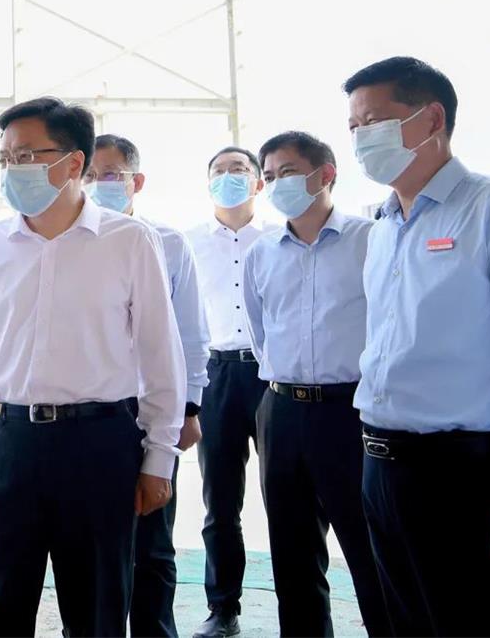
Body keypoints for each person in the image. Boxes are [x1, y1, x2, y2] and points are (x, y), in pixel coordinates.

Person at [0, 97, 186, 637]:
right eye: (5, 158)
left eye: (26, 155)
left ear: (74, 162)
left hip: (97, 446)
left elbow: (160, 355)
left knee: (97, 612)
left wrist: (159, 457)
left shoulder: (129, 241)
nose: (12, 169)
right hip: (5, 444)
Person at [345, 56, 490, 636]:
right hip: (383, 466)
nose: (360, 140)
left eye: (373, 122)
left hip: (465, 475)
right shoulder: (383, 227)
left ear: (431, 119)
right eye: (353, 127)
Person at [244, 131, 389, 637]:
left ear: (326, 174)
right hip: (281, 411)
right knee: (292, 552)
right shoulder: (262, 252)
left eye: (287, 172)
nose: (276, 184)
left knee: (368, 545)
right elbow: (261, 333)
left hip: (350, 411)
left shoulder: (369, 240)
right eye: (269, 176)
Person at [84, 133, 211, 638]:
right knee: (92, 546)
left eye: (110, 175)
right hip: (93, 415)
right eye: (90, 175)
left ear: (136, 181)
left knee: (152, 539)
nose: (98, 184)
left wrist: (189, 408)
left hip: (152, 410)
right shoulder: (65, 240)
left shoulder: (168, 242)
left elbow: (190, 334)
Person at [186, 146, 273, 638]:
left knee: (288, 498)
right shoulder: (189, 243)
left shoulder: (278, 238)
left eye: (238, 170)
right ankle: (223, 609)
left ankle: (303, 608)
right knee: (220, 501)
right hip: (215, 374)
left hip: (271, 375)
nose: (228, 177)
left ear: (258, 182)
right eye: (218, 171)